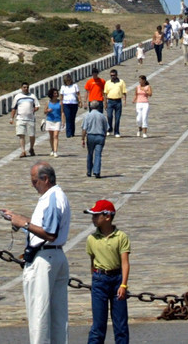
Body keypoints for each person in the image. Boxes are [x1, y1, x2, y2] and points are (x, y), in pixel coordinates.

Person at [3, 162, 70, 344]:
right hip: (53, 255)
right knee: (57, 315)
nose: (33, 185)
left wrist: (24, 224)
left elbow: (49, 233)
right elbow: (41, 228)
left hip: (45, 258)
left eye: (34, 181)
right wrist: (17, 219)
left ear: (45, 179)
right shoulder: (53, 196)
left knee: (39, 314)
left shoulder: (52, 198)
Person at [84, 199, 130, 344]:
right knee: (98, 326)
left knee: (121, 326)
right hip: (99, 279)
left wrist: (123, 284)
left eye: (96, 215)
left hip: (116, 279)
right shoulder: (91, 239)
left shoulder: (121, 237)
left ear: (107, 217)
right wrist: (96, 277)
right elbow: (92, 262)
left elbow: (125, 263)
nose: (93, 219)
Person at [81, 101, 109, 178]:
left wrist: (83, 138)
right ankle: (97, 171)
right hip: (100, 136)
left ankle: (89, 171)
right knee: (98, 154)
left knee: (90, 154)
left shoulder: (87, 116)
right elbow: (106, 128)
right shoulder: (102, 116)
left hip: (90, 136)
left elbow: (84, 129)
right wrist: (104, 137)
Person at [13, 82, 39, 158]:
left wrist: (34, 110)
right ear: (21, 88)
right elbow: (14, 108)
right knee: (21, 135)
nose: (26, 88)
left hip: (30, 118)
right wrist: (12, 118)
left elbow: (37, 106)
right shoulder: (17, 97)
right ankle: (23, 151)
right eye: (24, 87)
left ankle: (31, 148)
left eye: (27, 87)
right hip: (20, 118)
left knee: (32, 135)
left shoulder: (32, 96)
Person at [103, 69, 128, 138]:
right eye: (111, 75)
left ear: (116, 75)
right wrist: (105, 103)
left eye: (113, 75)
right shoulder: (108, 82)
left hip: (118, 101)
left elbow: (124, 92)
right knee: (109, 116)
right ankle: (109, 128)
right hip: (110, 101)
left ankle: (116, 131)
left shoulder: (121, 82)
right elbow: (105, 93)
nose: (112, 77)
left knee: (117, 118)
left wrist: (124, 100)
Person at [44, 89, 63, 158]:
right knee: (51, 136)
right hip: (49, 120)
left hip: (57, 120)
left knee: (56, 136)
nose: (56, 95)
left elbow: (62, 112)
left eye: (56, 93)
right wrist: (47, 110)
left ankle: (55, 151)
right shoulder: (48, 102)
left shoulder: (60, 102)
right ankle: (52, 149)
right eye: (54, 93)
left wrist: (63, 121)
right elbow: (44, 111)